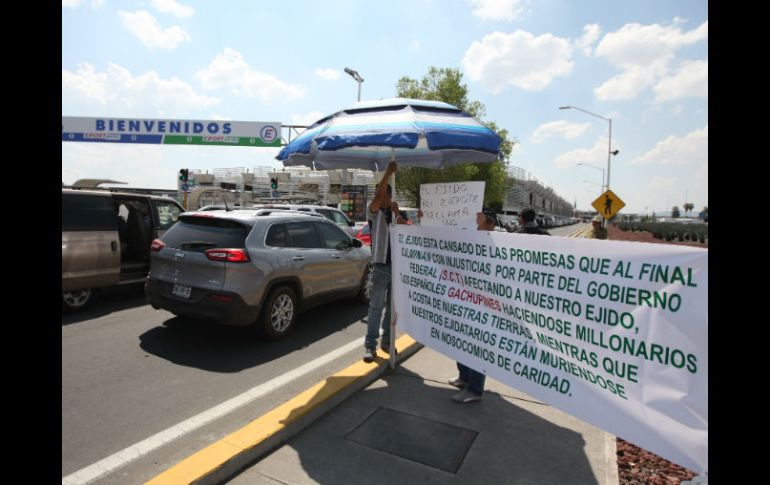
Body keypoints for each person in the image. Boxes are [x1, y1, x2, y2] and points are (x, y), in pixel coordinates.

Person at [448, 207, 497, 403]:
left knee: (476, 344)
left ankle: (475, 389)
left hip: (482, 303)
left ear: (489, 223)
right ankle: (464, 378)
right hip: (465, 298)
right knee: (461, 339)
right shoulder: (470, 237)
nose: (477, 220)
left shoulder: (491, 239)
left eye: (481, 218)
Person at [363, 161, 409, 363]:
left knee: (392, 309)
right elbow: (379, 195)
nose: (378, 197)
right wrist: (388, 173)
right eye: (377, 194)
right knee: (375, 307)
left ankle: (387, 342)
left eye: (382, 194)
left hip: (397, 267)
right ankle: (370, 346)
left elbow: (407, 232)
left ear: (390, 197)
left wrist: (398, 214)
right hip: (381, 266)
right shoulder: (373, 212)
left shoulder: (395, 212)